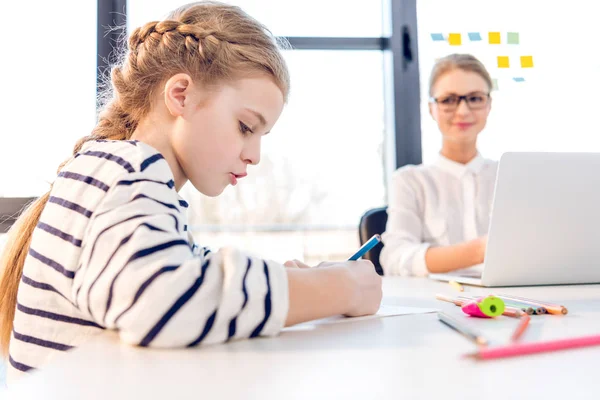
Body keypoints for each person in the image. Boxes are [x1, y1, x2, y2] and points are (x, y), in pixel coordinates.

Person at [0, 1, 382, 382]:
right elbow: (160, 301)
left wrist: (293, 282)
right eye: (246, 127)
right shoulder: (131, 172)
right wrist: (339, 288)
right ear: (181, 95)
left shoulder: (110, 170)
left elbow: (178, 273)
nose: (254, 156)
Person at [380, 53, 497, 277]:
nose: (463, 111)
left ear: (489, 104)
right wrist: (479, 250)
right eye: (448, 100)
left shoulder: (510, 176)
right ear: (431, 108)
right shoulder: (410, 181)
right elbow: (395, 258)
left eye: (475, 98)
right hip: (436, 304)